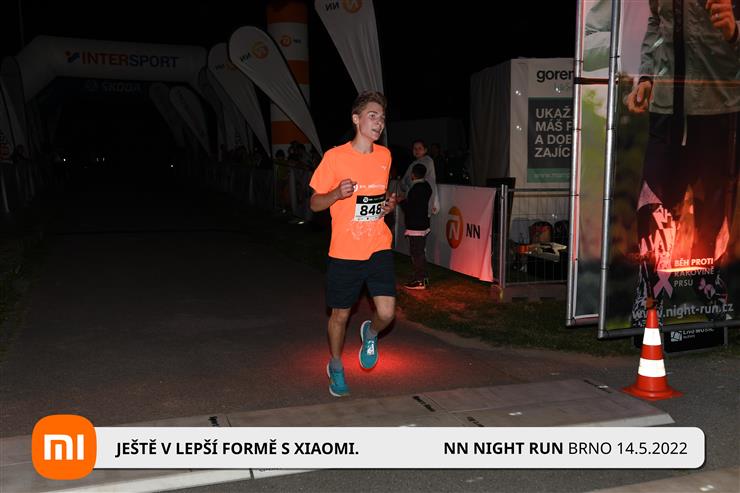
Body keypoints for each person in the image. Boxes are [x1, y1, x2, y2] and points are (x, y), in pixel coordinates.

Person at [626, 0, 740, 326]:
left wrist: (734, 32)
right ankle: (652, 293)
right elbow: (656, 24)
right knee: (654, 202)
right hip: (666, 109)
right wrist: (647, 77)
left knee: (714, 207)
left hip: (718, 108)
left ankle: (709, 286)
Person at [309, 91, 397, 397]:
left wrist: (386, 207)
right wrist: (336, 194)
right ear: (356, 119)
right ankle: (335, 365)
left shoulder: (384, 156)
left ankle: (370, 333)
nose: (379, 122)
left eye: (382, 117)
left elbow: (374, 201)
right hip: (345, 251)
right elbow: (314, 203)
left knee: (387, 313)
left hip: (378, 245)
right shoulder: (334, 157)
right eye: (373, 116)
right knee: (340, 316)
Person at [400, 163, 433, 290]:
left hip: (415, 225)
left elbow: (410, 209)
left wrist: (401, 201)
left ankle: (420, 280)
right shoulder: (426, 186)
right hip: (423, 223)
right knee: (420, 252)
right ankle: (423, 277)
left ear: (413, 175)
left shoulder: (415, 189)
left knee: (416, 253)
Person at [400, 140, 440, 216]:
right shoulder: (414, 163)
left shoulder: (427, 161)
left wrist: (407, 184)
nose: (417, 150)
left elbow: (412, 180)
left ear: (425, 150)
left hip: (423, 202)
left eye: (419, 148)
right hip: (414, 201)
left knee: (419, 221)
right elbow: (403, 183)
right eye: (415, 148)